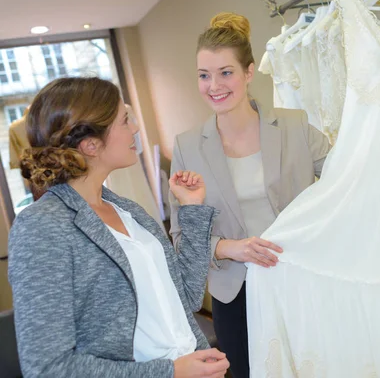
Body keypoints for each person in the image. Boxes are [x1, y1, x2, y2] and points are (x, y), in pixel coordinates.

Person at [8, 77, 230, 378]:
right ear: (90, 144)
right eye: (125, 120)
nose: (135, 129)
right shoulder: (41, 227)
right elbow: (48, 367)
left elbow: (185, 298)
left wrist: (191, 209)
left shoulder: (129, 211)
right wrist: (169, 372)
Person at [169, 13, 331, 378]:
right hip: (234, 293)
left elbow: (342, 179)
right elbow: (181, 238)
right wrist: (230, 247)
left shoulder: (294, 125)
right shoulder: (187, 147)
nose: (214, 85)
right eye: (204, 75)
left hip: (302, 278)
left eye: (225, 72)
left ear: (248, 72)